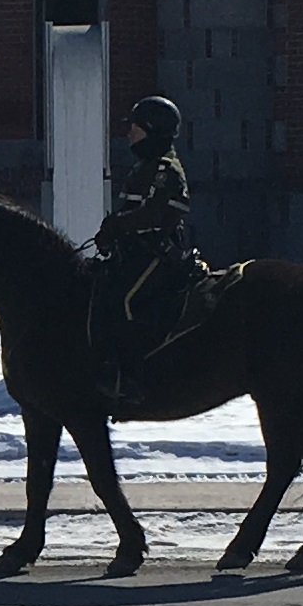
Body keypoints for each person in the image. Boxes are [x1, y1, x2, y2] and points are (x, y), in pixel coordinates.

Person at [90, 94, 194, 407]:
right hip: (134, 250)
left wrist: (119, 225)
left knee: (124, 299)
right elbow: (128, 212)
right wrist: (111, 233)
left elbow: (160, 214)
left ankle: (132, 376)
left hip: (158, 254)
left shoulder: (166, 169)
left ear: (152, 130)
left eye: (135, 129)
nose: (129, 135)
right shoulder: (142, 168)